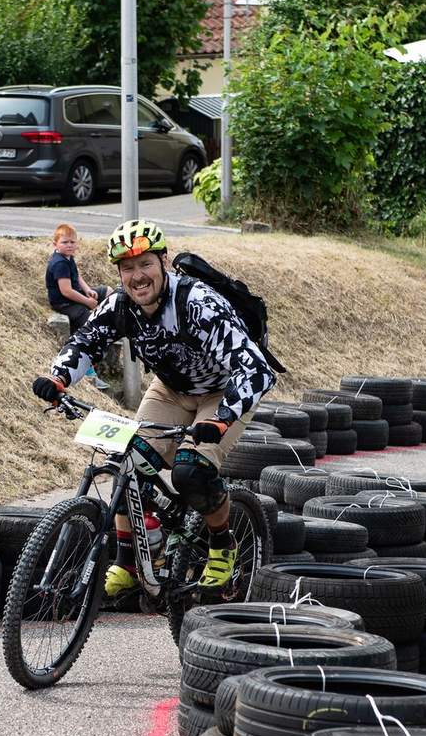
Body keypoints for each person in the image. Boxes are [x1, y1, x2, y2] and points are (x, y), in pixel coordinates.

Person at [31, 219, 276, 596]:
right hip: (170, 390)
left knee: (191, 472)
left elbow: (256, 369)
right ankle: (128, 561)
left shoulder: (197, 304)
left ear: (163, 261)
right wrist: (58, 378)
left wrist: (223, 419)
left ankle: (222, 544)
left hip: (221, 392)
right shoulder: (119, 305)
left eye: (145, 263)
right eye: (127, 268)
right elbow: (85, 343)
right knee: (125, 460)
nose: (137, 276)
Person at [44, 224, 109, 390]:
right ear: (55, 244)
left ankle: (111, 324)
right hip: (65, 303)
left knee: (107, 291)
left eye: (72, 242)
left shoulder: (68, 258)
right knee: (89, 324)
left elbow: (77, 277)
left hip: (76, 295)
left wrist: (88, 290)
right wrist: (87, 302)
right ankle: (89, 372)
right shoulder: (59, 263)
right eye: (65, 242)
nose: (69, 245)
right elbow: (66, 291)